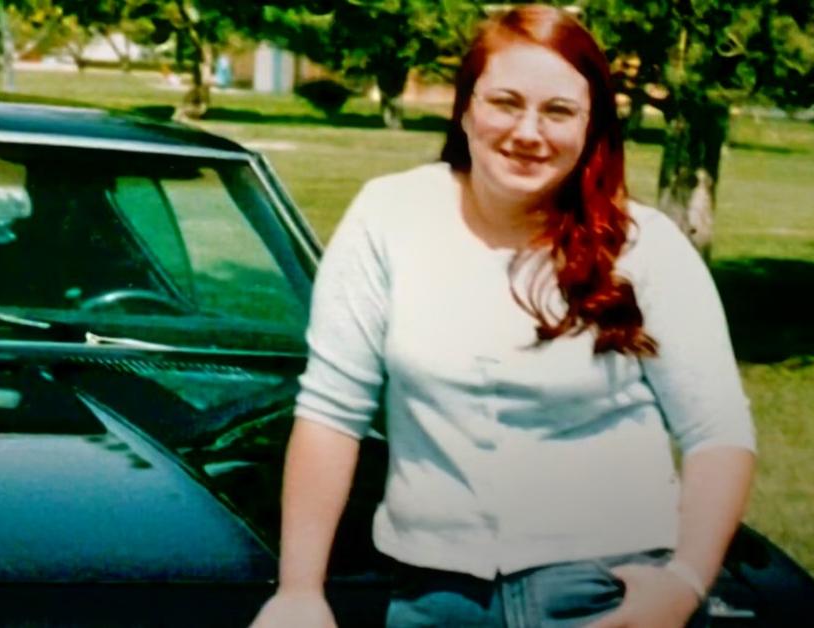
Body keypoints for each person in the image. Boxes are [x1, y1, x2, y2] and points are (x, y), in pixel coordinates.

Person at [251, 5, 756, 628]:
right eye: (505, 102)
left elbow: (719, 434)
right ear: (465, 108)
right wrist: (300, 590)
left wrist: (682, 586)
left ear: (592, 125)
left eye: (558, 111)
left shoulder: (646, 247)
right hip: (434, 601)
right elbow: (331, 411)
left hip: (611, 596)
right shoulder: (389, 216)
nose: (529, 132)